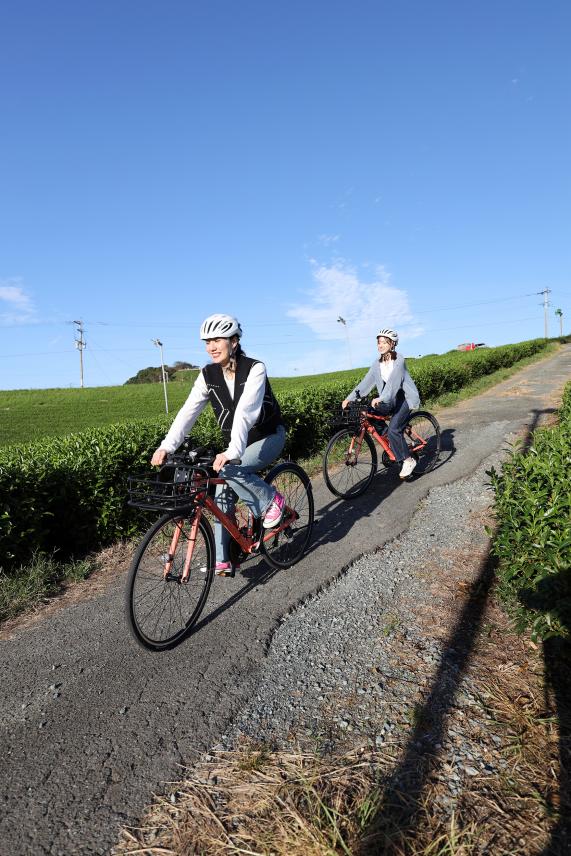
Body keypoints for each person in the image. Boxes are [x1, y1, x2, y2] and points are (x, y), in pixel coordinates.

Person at [151, 314, 286, 576]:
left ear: (234, 341)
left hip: (268, 436)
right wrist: (167, 446)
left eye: (217, 340)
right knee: (221, 490)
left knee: (229, 470)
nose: (211, 346)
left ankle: (271, 501)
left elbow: (246, 412)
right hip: (238, 443)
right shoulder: (207, 374)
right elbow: (188, 412)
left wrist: (233, 452)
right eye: (207, 341)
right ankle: (225, 559)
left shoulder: (255, 368)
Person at [341, 327, 421, 479]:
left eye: (384, 342)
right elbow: (365, 384)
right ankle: (393, 442)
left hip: (404, 399)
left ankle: (408, 460)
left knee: (394, 429)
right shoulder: (376, 364)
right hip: (388, 400)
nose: (380, 345)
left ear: (392, 344)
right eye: (379, 342)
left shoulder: (399, 360)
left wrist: (381, 398)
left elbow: (393, 383)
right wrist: (349, 398)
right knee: (368, 415)